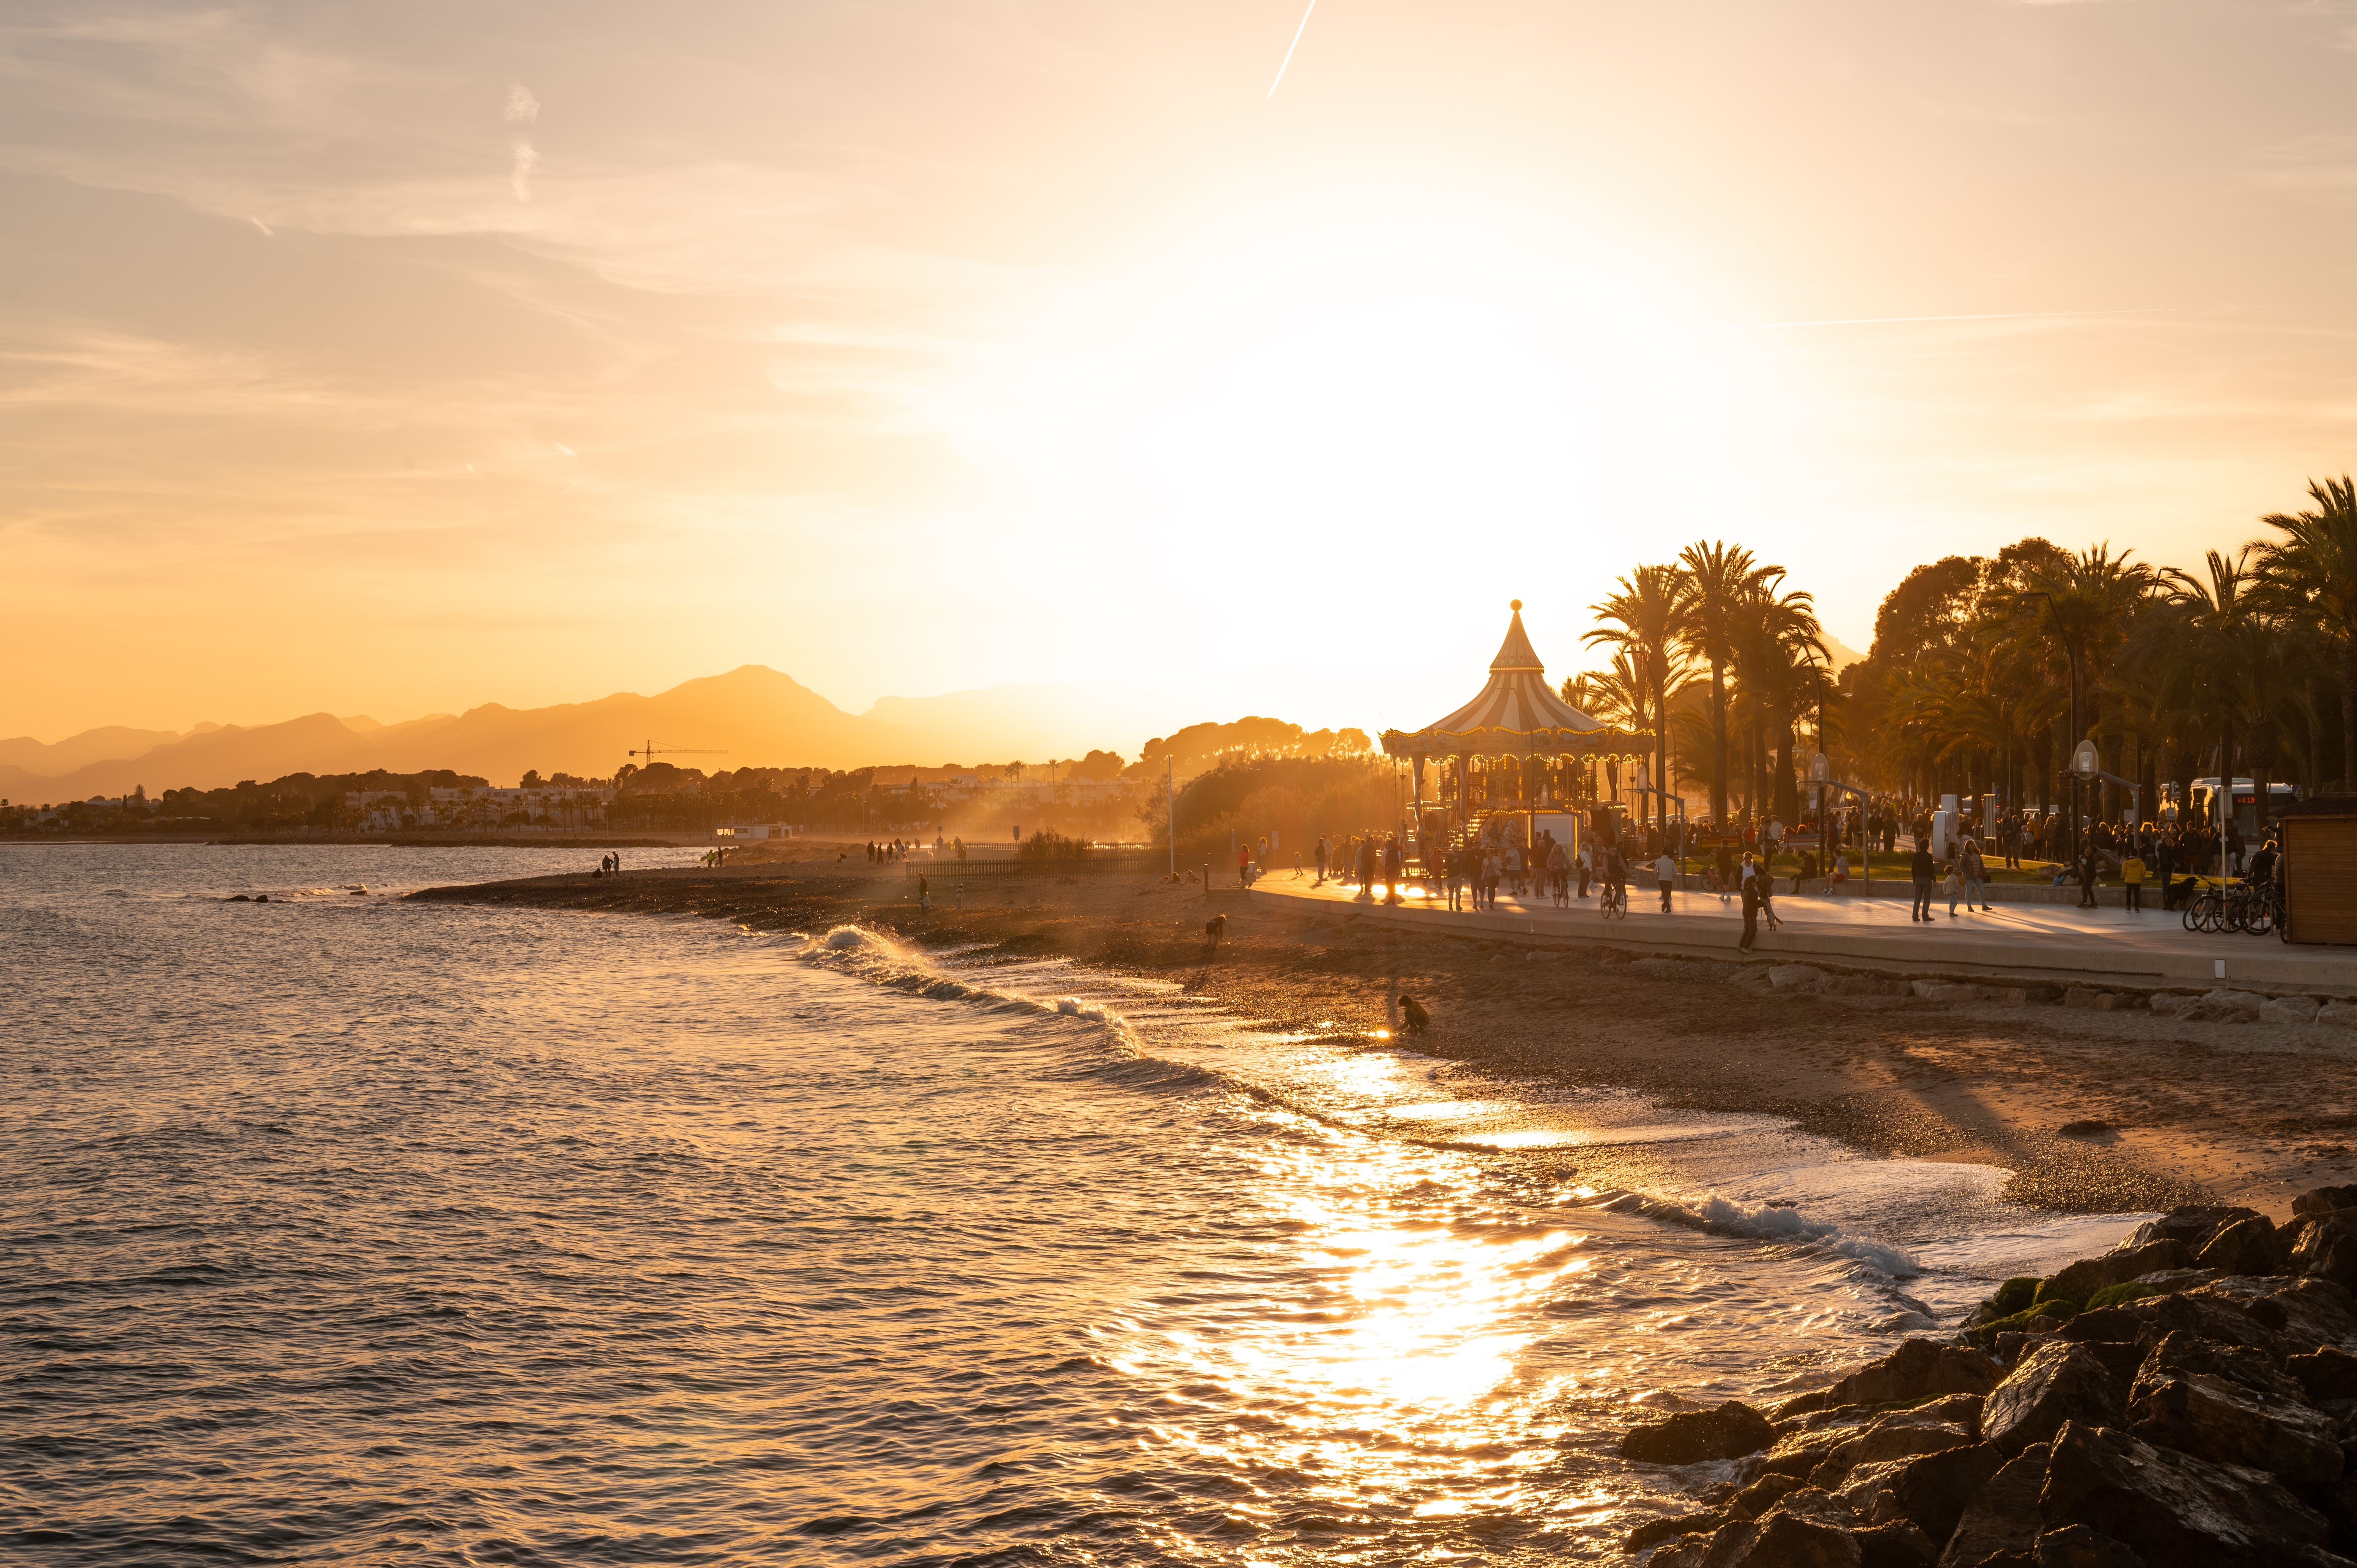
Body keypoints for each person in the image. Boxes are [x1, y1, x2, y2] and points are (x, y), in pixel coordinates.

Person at [1739, 857, 1763, 952]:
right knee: (1753, 930)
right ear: (1753, 883)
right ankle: (1746, 947)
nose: (1756, 884)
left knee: (1747, 930)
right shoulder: (1752, 891)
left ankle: (1741, 947)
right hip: (1751, 913)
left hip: (1745, 912)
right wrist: (1763, 904)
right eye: (1755, 883)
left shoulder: (1746, 889)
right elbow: (1755, 903)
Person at [1961, 837, 1990, 912]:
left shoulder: (1977, 854)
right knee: (1969, 891)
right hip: (1969, 877)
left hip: (1978, 875)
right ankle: (1969, 907)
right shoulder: (1965, 855)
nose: (1974, 846)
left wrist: (1982, 871)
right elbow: (1961, 866)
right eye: (1972, 844)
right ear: (1968, 846)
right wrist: (1967, 872)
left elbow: (1981, 863)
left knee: (1981, 890)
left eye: (1974, 844)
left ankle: (1984, 906)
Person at [1909, 841, 1935, 922]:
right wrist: (1934, 879)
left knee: (1917, 898)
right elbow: (1931, 869)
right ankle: (1925, 916)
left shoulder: (1916, 855)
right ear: (1927, 847)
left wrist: (1914, 879)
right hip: (1927, 878)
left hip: (1918, 878)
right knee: (1927, 898)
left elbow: (1913, 869)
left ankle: (1915, 916)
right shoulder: (1928, 856)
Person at [2120, 847, 2145, 912]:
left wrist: (2126, 877)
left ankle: (2128, 907)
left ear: (2130, 854)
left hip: (2129, 881)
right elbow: (2144, 871)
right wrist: (2140, 877)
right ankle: (2136, 908)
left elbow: (2123, 871)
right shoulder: (2141, 862)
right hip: (2137, 881)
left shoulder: (2126, 862)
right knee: (2136, 894)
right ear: (2137, 854)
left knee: (2128, 894)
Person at [1654, 847, 1677, 912]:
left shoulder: (1659, 861)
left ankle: (1668, 908)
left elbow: (1654, 870)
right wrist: (1672, 875)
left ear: (1662, 853)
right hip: (1669, 880)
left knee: (1665, 895)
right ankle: (1665, 906)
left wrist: (1657, 876)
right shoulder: (1672, 862)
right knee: (1666, 895)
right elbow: (1676, 870)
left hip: (1662, 879)